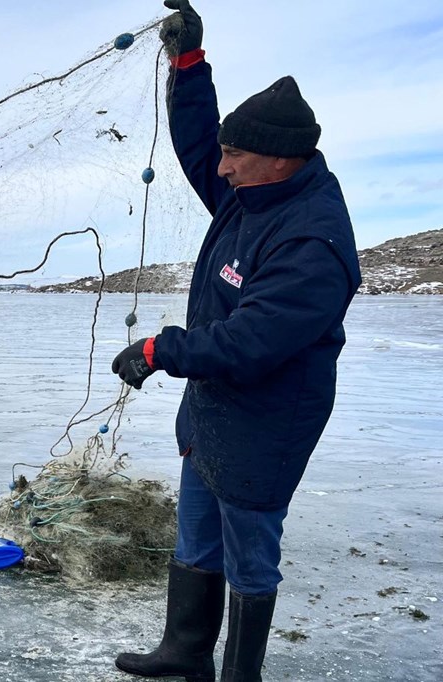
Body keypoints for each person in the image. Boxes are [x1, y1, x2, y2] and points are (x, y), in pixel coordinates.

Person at [109, 1, 362, 680]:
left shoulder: (313, 241)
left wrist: (164, 351)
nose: (219, 168)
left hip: (268, 420)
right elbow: (198, 145)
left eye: (236, 155)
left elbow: (252, 341)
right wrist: (188, 65)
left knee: (250, 548)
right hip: (215, 408)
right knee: (195, 526)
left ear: (280, 161)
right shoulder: (248, 193)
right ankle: (184, 650)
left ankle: (238, 674)